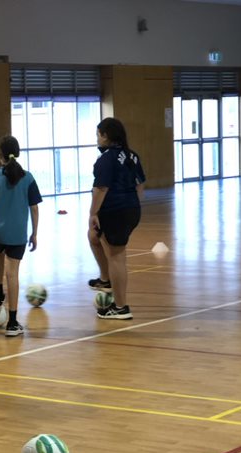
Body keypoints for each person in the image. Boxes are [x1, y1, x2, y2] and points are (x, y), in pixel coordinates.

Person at [0, 135, 41, 337]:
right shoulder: (28, 177)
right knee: (12, 273)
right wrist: (35, 233)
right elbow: (34, 209)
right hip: (17, 234)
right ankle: (13, 323)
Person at [88, 117, 146, 320]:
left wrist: (93, 213)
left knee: (116, 256)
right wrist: (133, 205)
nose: (97, 138)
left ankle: (120, 307)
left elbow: (101, 188)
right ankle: (106, 279)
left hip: (114, 210)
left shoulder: (106, 160)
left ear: (105, 136)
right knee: (94, 237)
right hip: (130, 209)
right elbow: (140, 184)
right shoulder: (132, 156)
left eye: (98, 134)